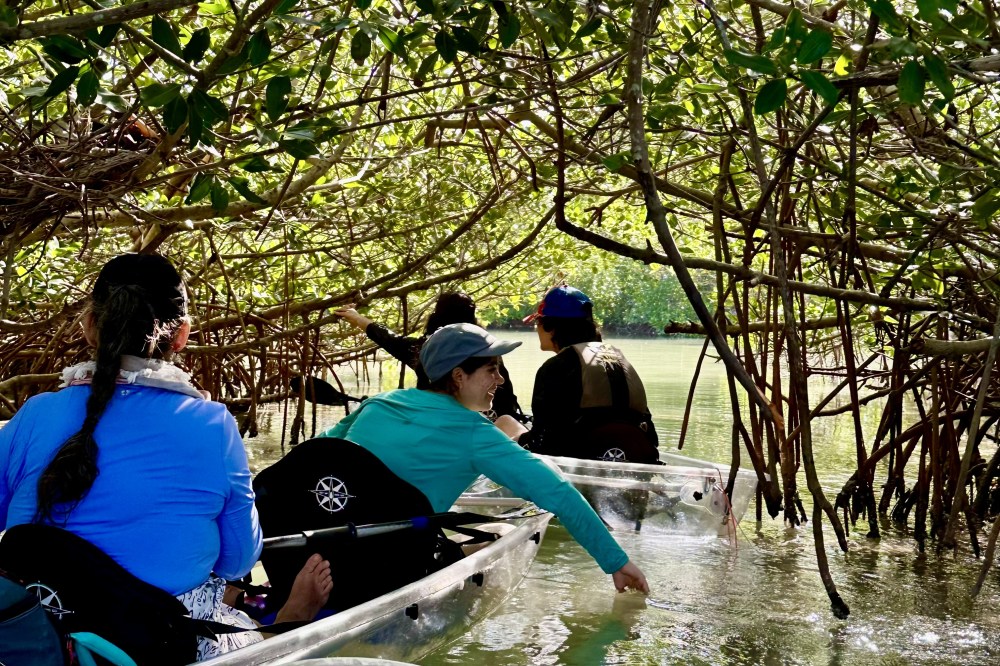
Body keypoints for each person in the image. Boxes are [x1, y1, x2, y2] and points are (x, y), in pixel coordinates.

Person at [0, 253, 331, 661]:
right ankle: (289, 617)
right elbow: (239, 558)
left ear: (89, 326)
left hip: (41, 636)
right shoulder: (212, 424)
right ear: (182, 335)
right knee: (225, 606)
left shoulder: (34, 414)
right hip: (151, 643)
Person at [320, 323, 649, 594]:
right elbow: (558, 492)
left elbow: (315, 452)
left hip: (328, 550)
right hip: (391, 565)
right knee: (501, 531)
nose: (500, 380)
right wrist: (617, 562)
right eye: (492, 369)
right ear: (459, 376)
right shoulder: (476, 433)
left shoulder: (378, 403)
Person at [517, 285, 660, 464]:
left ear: (550, 326)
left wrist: (517, 440)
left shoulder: (554, 368)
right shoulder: (618, 360)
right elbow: (652, 437)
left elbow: (542, 441)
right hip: (632, 455)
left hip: (576, 462)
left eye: (538, 323)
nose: (536, 329)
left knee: (507, 423)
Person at [334, 292, 525, 421]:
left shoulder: (425, 351)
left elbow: (390, 340)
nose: (497, 378)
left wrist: (358, 318)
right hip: (497, 422)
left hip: (444, 422)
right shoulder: (486, 352)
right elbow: (507, 403)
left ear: (437, 316)